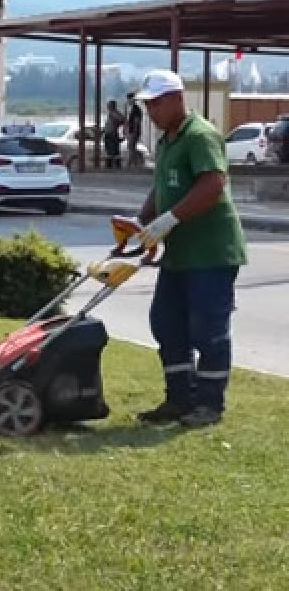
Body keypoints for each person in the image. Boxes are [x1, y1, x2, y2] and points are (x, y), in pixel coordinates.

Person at [130, 69, 247, 428]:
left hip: (211, 252)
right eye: (147, 105)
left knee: (206, 328)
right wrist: (141, 227)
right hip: (180, 254)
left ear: (178, 99)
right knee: (165, 322)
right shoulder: (168, 140)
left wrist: (167, 222)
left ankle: (209, 405)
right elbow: (161, 189)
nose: (150, 111)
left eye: (156, 103)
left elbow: (212, 185)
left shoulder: (200, 136)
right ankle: (180, 399)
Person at [103, 100, 125, 169]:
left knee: (113, 150)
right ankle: (111, 164)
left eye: (109, 105)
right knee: (110, 150)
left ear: (113, 106)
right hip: (109, 133)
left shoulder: (114, 113)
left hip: (112, 134)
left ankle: (112, 165)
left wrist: (117, 124)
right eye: (108, 105)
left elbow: (122, 119)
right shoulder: (110, 113)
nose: (108, 106)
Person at [124, 93, 144, 167]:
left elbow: (137, 122)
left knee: (131, 147)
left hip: (134, 131)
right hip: (130, 130)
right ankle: (135, 162)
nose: (129, 101)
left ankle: (129, 163)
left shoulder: (136, 109)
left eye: (130, 99)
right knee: (131, 147)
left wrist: (134, 132)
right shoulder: (129, 108)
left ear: (133, 99)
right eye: (128, 99)